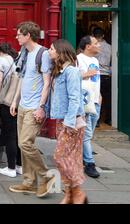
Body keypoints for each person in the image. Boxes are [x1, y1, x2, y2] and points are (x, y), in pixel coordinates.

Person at [9, 21, 56, 198]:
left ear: (28, 35)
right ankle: (29, 182)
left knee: (25, 143)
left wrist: (41, 107)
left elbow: (46, 83)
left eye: (19, 34)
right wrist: (15, 101)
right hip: (22, 106)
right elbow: (22, 79)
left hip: (34, 107)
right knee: (24, 145)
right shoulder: (24, 53)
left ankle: (47, 176)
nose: (16, 36)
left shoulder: (42, 54)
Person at [48, 39, 87, 204]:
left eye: (51, 49)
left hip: (71, 121)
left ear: (60, 52)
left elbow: (74, 99)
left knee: (60, 156)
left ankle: (77, 192)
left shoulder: (71, 72)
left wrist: (69, 123)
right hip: (63, 120)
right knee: (70, 158)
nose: (49, 51)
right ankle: (70, 194)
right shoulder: (60, 71)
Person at [0, 42, 22, 178]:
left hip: (7, 101)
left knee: (9, 135)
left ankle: (10, 168)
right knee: (17, 135)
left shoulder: (1, 61)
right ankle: (19, 166)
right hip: (19, 100)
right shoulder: (17, 59)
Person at [77, 35, 101, 178]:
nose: (99, 45)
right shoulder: (78, 59)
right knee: (86, 134)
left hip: (95, 101)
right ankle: (89, 163)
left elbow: (96, 81)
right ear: (87, 46)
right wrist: (87, 74)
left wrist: (99, 96)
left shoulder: (95, 60)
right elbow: (73, 78)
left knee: (89, 134)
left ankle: (80, 157)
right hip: (85, 102)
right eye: (96, 43)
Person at [92, 27, 112, 126]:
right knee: (107, 99)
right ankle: (108, 119)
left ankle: (97, 121)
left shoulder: (92, 47)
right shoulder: (110, 47)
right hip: (106, 75)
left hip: (95, 75)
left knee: (95, 98)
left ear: (93, 36)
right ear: (103, 35)